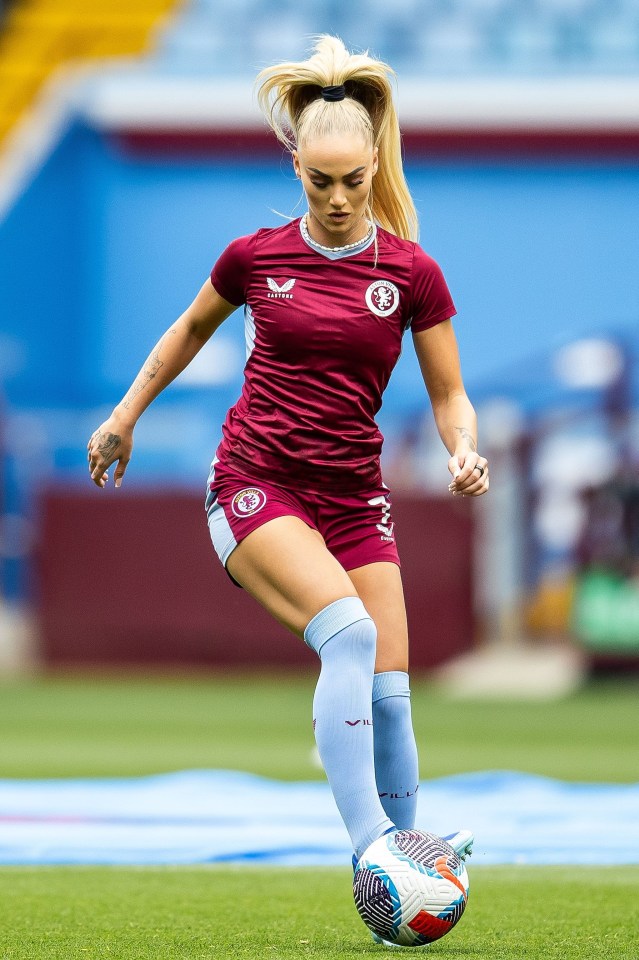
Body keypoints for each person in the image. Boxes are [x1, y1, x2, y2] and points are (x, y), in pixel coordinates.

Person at [87, 34, 488, 943]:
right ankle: (377, 853)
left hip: (353, 502)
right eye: (321, 182)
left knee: (390, 691)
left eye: (354, 181)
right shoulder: (253, 257)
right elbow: (188, 331)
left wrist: (464, 448)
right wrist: (124, 414)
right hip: (254, 484)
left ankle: (404, 864)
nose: (340, 199)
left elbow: (450, 392)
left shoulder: (411, 273)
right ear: (297, 165)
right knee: (345, 635)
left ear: (374, 162)